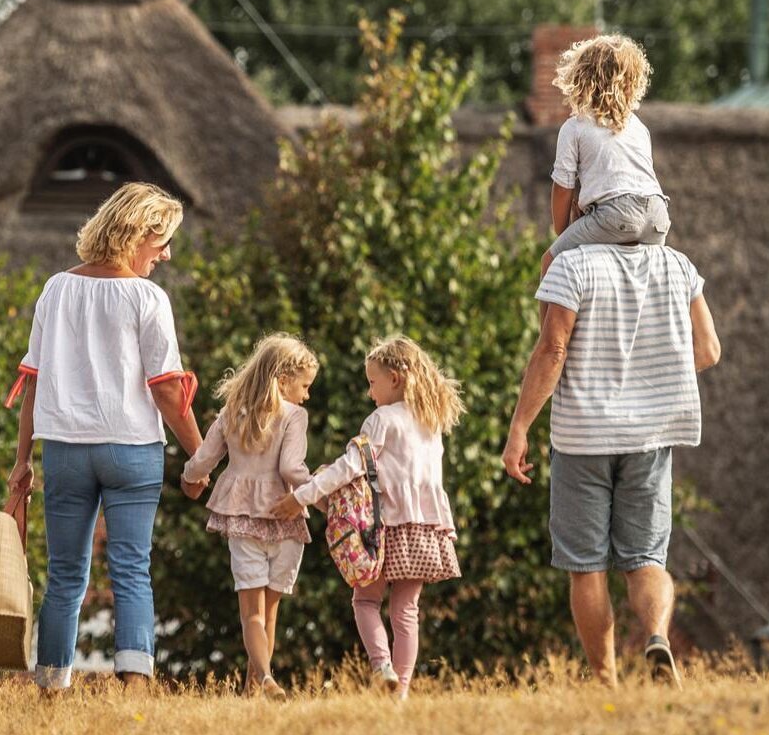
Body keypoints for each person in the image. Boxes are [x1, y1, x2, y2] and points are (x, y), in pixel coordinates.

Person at [5, 182, 202, 691]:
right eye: (161, 241)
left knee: (66, 575)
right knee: (132, 570)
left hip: (66, 451)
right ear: (137, 234)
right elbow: (166, 392)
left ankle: (50, 686)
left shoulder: (56, 289)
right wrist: (200, 458)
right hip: (132, 448)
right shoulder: (147, 298)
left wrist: (22, 461)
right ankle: (134, 684)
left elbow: (34, 382)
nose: (166, 253)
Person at [501, 239, 721, 688]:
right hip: (649, 439)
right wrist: (648, 385)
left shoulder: (571, 263)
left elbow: (553, 349)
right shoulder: (678, 265)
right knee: (646, 559)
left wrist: (520, 427)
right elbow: (709, 349)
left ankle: (607, 685)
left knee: (587, 567)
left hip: (583, 438)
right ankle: (656, 635)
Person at [276, 336, 464, 700]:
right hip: (426, 530)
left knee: (364, 602)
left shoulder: (381, 419)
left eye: (372, 382)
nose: (369, 392)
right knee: (407, 611)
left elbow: (350, 467)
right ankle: (402, 693)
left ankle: (382, 667)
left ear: (394, 379)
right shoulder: (432, 422)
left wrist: (303, 494)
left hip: (383, 528)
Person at [180, 333, 319, 701]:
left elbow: (204, 460)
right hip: (284, 520)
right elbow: (292, 469)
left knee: (252, 615)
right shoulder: (294, 416)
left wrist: (189, 479)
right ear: (284, 378)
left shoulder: (231, 412)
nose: (306, 395)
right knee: (270, 613)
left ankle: (260, 682)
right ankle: (259, 684)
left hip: (242, 517)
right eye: (304, 386)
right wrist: (318, 491)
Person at [541, 33, 672, 292]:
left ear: (581, 78)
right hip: (657, 216)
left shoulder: (575, 126)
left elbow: (562, 188)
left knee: (551, 262)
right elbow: (628, 179)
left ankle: (546, 334)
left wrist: (563, 230)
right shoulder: (638, 127)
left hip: (617, 214)